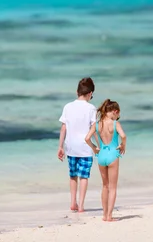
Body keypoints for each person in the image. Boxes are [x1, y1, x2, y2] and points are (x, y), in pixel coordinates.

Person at [57, 77, 97, 213]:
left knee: (72, 175)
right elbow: (93, 129)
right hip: (85, 148)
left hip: (71, 147)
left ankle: (72, 203)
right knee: (84, 176)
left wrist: (60, 146)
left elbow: (63, 128)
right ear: (90, 93)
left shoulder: (68, 107)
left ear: (77, 92)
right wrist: (98, 146)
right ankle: (81, 206)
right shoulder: (91, 108)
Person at [85, 99, 126, 222]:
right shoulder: (115, 124)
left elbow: (87, 138)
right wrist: (123, 145)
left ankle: (104, 215)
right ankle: (109, 216)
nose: (117, 117)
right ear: (115, 111)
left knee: (105, 186)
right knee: (113, 188)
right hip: (113, 155)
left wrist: (94, 148)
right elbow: (123, 136)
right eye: (117, 115)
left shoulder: (97, 124)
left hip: (101, 155)